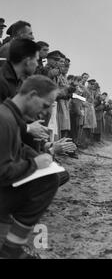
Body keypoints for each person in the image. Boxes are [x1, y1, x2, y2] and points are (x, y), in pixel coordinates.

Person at [0, 75, 59, 259]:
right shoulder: (5, 119)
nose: (44, 113)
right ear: (32, 95)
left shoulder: (9, 116)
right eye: (45, 105)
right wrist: (35, 164)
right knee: (47, 180)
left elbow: (17, 152)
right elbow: (2, 172)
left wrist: (37, 156)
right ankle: (11, 249)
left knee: (52, 175)